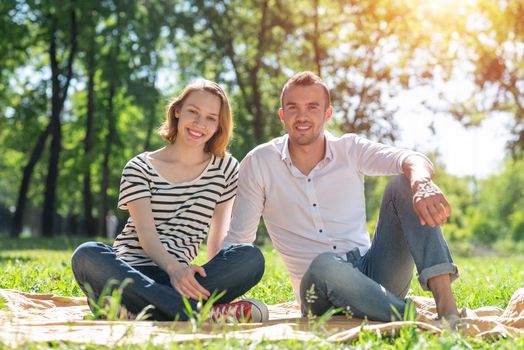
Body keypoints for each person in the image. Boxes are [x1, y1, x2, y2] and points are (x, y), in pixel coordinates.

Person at [221, 71, 460, 323]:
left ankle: (447, 309)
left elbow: (410, 158)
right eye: (293, 107)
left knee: (404, 182)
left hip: (374, 274)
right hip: (318, 289)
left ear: (327, 114)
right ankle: (408, 316)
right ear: (282, 115)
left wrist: (422, 183)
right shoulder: (259, 162)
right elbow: (239, 240)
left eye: (312, 107)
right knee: (325, 264)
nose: (302, 116)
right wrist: (218, 293)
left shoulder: (350, 149)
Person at [71, 80, 267, 322]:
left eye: (210, 118)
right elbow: (146, 235)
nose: (199, 123)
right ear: (177, 111)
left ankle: (136, 309)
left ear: (219, 125)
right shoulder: (140, 167)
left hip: (185, 280)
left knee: (250, 257)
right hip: (131, 271)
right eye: (193, 112)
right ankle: (199, 313)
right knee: (87, 254)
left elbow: (218, 235)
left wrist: (215, 275)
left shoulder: (225, 168)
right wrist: (174, 269)